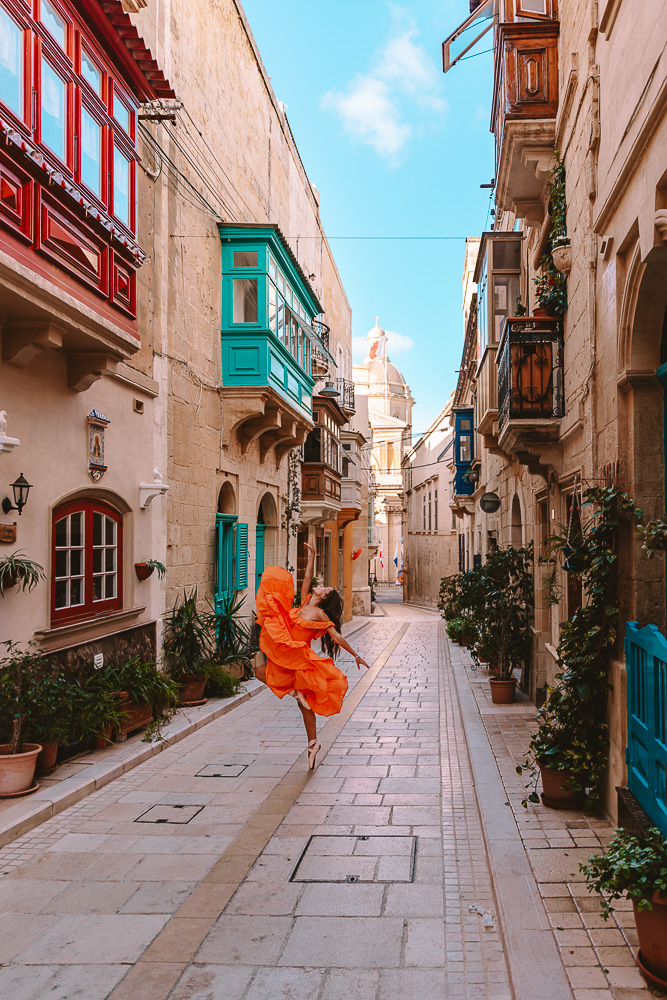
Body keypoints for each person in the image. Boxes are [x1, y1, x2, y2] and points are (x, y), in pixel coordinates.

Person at [255, 536, 370, 770]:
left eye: (326, 588)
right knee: (260, 673)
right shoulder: (307, 600)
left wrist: (356, 655)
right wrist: (312, 555)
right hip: (287, 652)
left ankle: (312, 743)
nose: (322, 585)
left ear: (325, 597)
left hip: (300, 659)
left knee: (304, 705)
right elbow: (306, 577)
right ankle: (311, 738)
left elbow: (336, 636)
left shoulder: (319, 615)